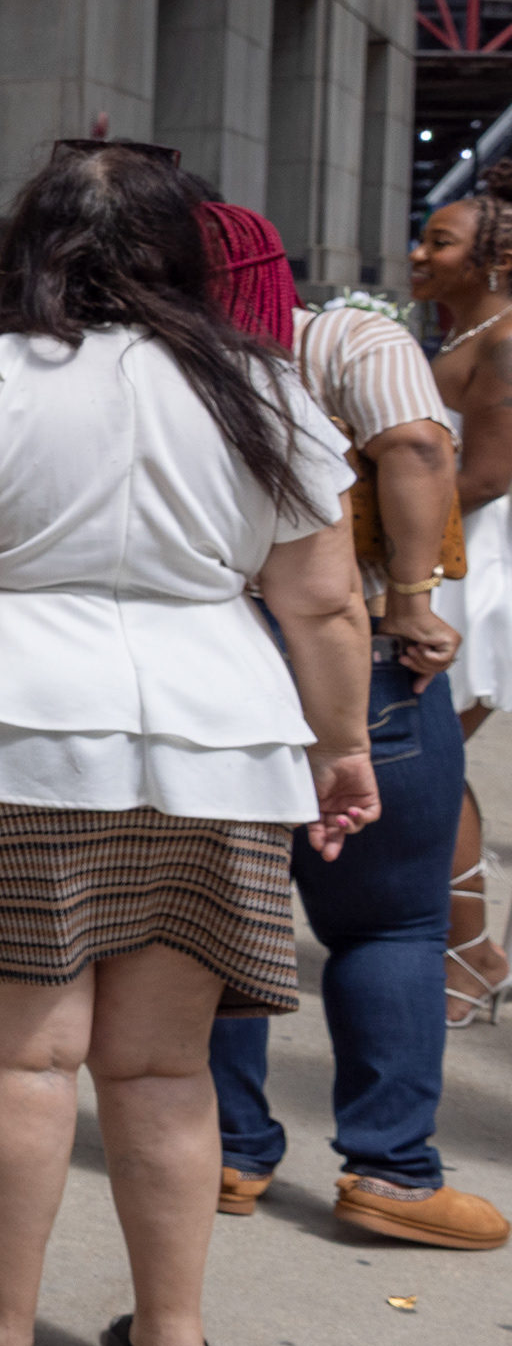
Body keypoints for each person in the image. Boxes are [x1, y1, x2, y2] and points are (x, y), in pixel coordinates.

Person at [0, 139, 374, 1346]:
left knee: (23, 1060)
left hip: (3, 733)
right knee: (164, 1066)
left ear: (31, 247)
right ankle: (174, 1344)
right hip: (220, 744)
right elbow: (323, 603)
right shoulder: (264, 392)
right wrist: (343, 748)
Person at [209, 277, 507, 1250]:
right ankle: (391, 1171)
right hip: (366, 653)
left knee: (216, 920)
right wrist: (413, 598)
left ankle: (224, 1147)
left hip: (207, 664)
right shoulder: (348, 340)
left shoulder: (160, 356)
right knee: (391, 924)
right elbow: (418, 444)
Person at [407, 170, 512, 1025]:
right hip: (447, 555)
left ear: (492, 259)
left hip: (473, 568)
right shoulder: (466, 329)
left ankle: (472, 952)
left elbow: (488, 475)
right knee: (432, 757)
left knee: (430, 756)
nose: (419, 252)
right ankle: (471, 946)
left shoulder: (505, 340)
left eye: (439, 242)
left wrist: (381, 527)